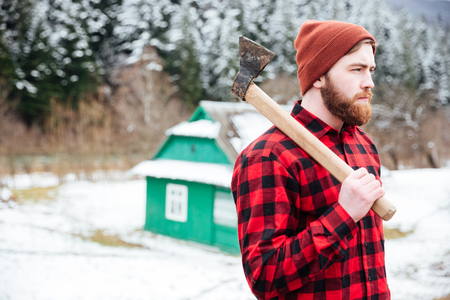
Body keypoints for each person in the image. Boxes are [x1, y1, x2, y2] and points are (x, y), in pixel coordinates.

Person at [231, 20, 390, 300]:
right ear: (318, 76)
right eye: (356, 69)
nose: (369, 82)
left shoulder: (363, 145)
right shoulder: (268, 156)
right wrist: (344, 215)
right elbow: (264, 277)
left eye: (371, 70)